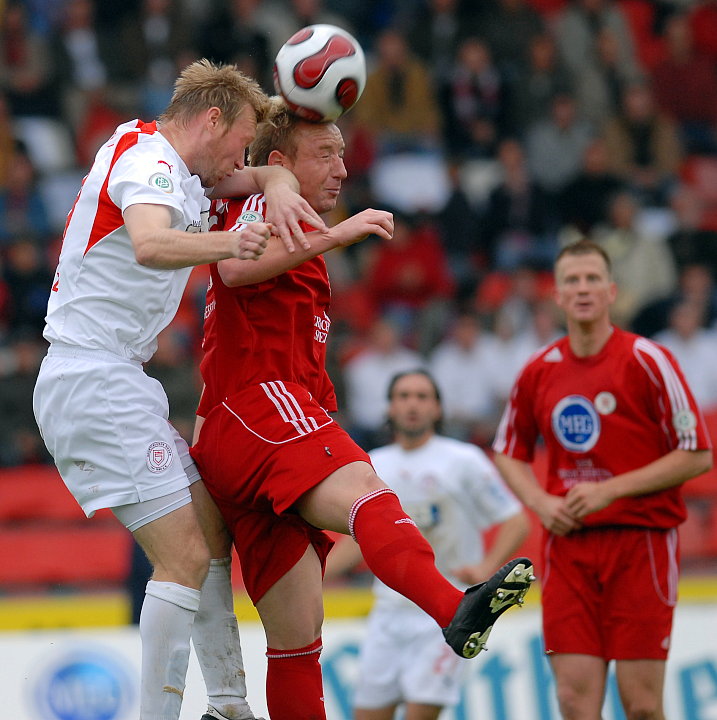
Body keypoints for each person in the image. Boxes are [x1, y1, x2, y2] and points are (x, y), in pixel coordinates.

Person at [190, 98, 535, 720]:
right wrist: (337, 229)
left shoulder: (293, 231)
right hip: (258, 409)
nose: (342, 169)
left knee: (298, 640)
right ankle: (452, 608)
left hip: (242, 431)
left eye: (344, 154)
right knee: (368, 492)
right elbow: (234, 269)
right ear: (279, 163)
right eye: (325, 154)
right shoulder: (269, 206)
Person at [32, 58, 328, 720]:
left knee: (210, 532)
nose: (236, 158)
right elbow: (148, 244)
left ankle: (228, 705)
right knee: (186, 553)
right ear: (212, 119)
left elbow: (260, 174)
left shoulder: (176, 168)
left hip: (110, 378)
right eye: (238, 140)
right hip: (93, 376)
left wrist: (277, 178)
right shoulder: (148, 158)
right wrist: (231, 243)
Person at [492, 239, 713, 720]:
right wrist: (540, 502)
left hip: (641, 545)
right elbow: (507, 451)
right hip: (568, 549)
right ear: (558, 295)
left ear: (612, 291)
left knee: (642, 706)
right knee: (574, 702)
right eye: (572, 279)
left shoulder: (648, 360)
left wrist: (609, 489)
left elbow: (697, 454)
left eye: (593, 278)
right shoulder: (539, 369)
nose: (583, 288)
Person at [325, 369, 529, 720]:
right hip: (387, 614)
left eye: (422, 396)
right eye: (403, 396)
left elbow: (517, 520)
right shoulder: (371, 465)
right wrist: (317, 577)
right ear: (389, 407)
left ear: (437, 408)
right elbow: (362, 543)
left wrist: (484, 568)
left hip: (444, 613)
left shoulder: (463, 460)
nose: (412, 404)